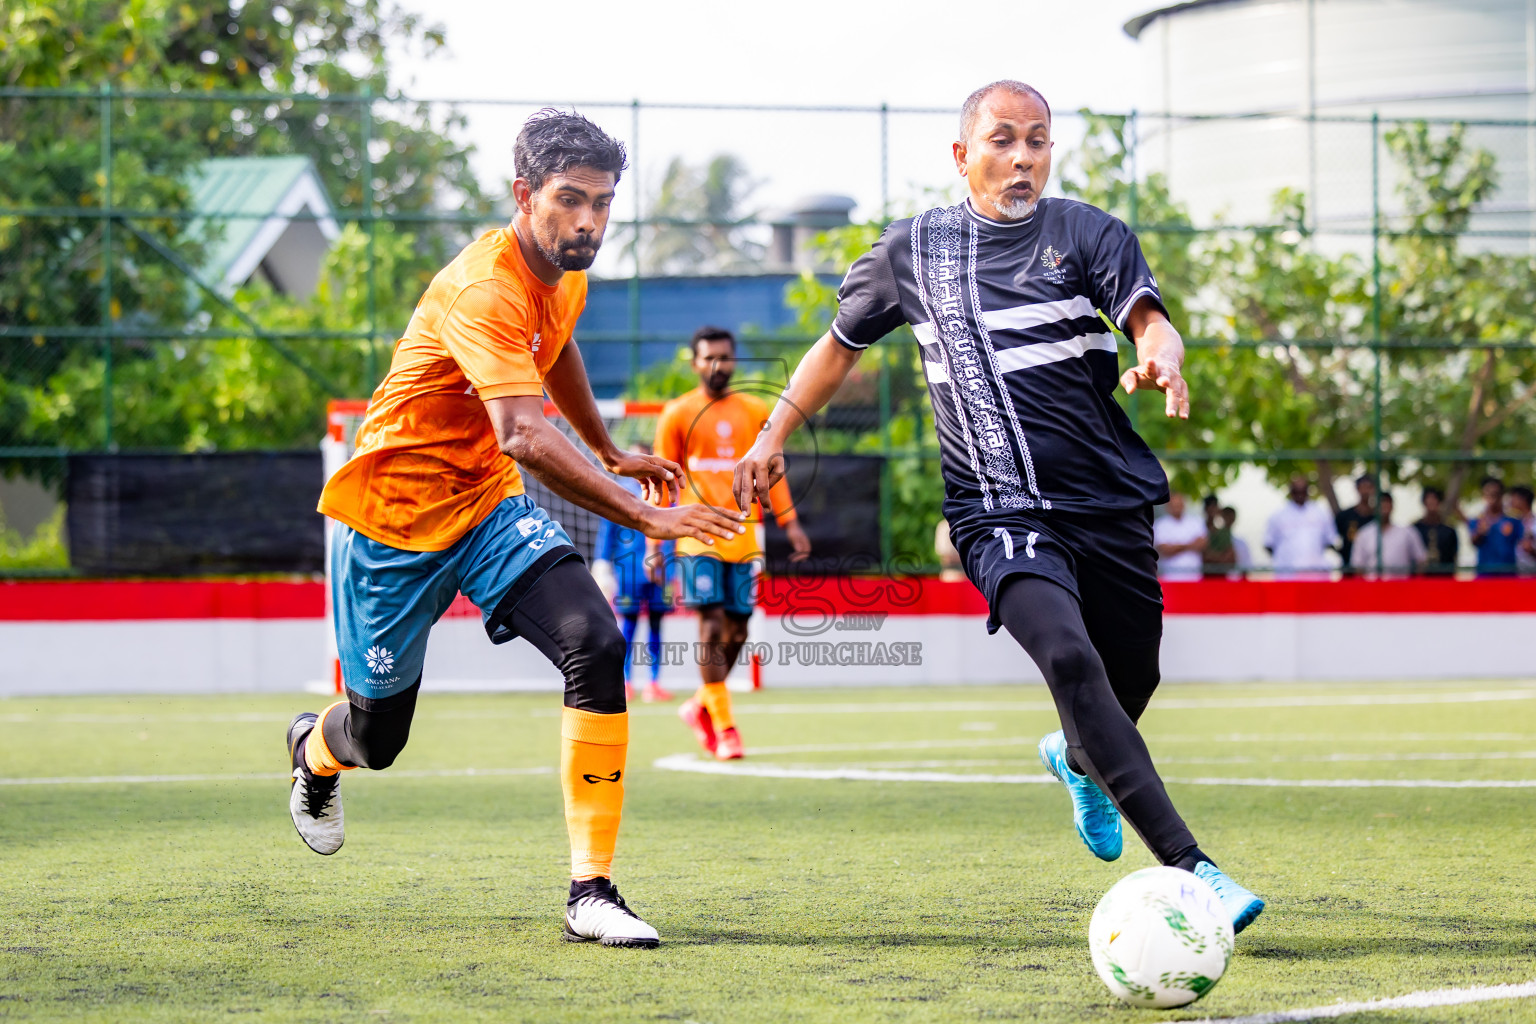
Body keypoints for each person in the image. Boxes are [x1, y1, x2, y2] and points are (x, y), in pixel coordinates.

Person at [732, 80, 1264, 933]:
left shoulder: (1089, 232)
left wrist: (1163, 355)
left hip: (1107, 500)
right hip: (996, 509)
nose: (1023, 159)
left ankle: (1077, 760)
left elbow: (1151, 322)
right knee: (1070, 661)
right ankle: (1197, 871)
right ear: (962, 154)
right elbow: (835, 351)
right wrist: (773, 433)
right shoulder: (916, 250)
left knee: (1134, 675)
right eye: (1004, 140)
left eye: (1039, 142)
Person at [285, 110, 747, 949]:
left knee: (595, 642)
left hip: (487, 507)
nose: (590, 223)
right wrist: (645, 511)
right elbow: (524, 434)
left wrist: (609, 446)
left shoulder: (562, 270)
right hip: (394, 523)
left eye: (604, 204)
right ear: (522, 195)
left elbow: (557, 346)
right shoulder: (484, 287)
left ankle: (591, 891)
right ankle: (315, 751)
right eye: (572, 202)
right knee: (377, 738)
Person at [654, 326, 812, 761]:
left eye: (725, 357)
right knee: (711, 623)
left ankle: (701, 704)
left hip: (744, 536)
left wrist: (789, 521)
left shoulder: (755, 409)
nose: (718, 365)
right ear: (695, 362)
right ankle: (725, 728)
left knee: (739, 628)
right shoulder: (677, 414)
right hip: (696, 535)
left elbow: (771, 472)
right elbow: (661, 484)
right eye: (709, 358)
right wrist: (654, 537)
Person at [593, 447, 674, 704]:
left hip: (660, 575)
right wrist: (602, 563)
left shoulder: (664, 494)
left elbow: (673, 531)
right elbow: (607, 532)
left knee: (656, 626)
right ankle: (625, 681)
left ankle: (653, 682)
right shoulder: (619, 493)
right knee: (626, 627)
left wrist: (670, 568)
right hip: (628, 573)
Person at [1263, 475, 1340, 578]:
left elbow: (1330, 541)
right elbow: (1268, 544)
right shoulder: (1278, 516)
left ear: (1308, 491)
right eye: (1296, 491)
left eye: (1303, 491)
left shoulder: (1320, 513)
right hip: (1288, 577)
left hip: (1316, 576)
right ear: (1291, 492)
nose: (1300, 495)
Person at [1350, 493, 1426, 577]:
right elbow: (1358, 566)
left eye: (1387, 503)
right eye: (1381, 503)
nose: (1384, 506)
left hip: (1400, 586)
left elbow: (1421, 560)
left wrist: (1416, 586)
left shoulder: (1407, 532)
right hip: (1372, 586)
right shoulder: (1364, 534)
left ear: (1392, 506)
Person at [1471, 476, 1524, 577]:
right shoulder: (1478, 520)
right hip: (1484, 576)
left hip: (1507, 576)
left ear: (1501, 496)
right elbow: (1473, 542)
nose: (1492, 498)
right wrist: (1479, 532)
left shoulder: (1513, 520)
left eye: (1495, 494)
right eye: (1488, 494)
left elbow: (1523, 546)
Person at [1152, 491, 1207, 581]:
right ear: (1168, 506)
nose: (1177, 507)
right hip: (1170, 578)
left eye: (1179, 504)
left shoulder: (1196, 521)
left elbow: (1202, 544)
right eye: (1174, 505)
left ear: (1184, 504)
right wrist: (1190, 545)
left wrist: (1176, 546)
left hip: (1194, 577)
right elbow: (1165, 550)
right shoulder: (1160, 524)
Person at [1413, 486, 1460, 575]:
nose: (1431, 502)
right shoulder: (1415, 530)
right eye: (1428, 499)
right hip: (1420, 581)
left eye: (1434, 499)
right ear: (1424, 502)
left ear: (1439, 502)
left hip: (1443, 581)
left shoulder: (1449, 531)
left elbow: (1453, 559)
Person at [1334, 474, 1377, 572]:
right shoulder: (1345, 516)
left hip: (1370, 569)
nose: (1365, 491)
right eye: (1363, 487)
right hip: (1348, 568)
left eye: (1369, 487)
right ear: (1357, 489)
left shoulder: (1377, 517)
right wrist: (1342, 553)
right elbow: (1333, 537)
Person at [1202, 496, 1236, 576]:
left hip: (1222, 577)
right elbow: (1204, 556)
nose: (1212, 510)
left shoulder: (1224, 531)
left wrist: (1215, 558)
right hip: (1205, 577)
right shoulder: (1200, 530)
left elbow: (1231, 557)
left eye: (1215, 506)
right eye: (1210, 506)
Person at [1508, 484, 1536, 576]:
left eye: (1514, 498)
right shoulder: (1515, 523)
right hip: (1518, 575)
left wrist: (1532, 551)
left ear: (1523, 499)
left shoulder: (1534, 523)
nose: (1511, 501)